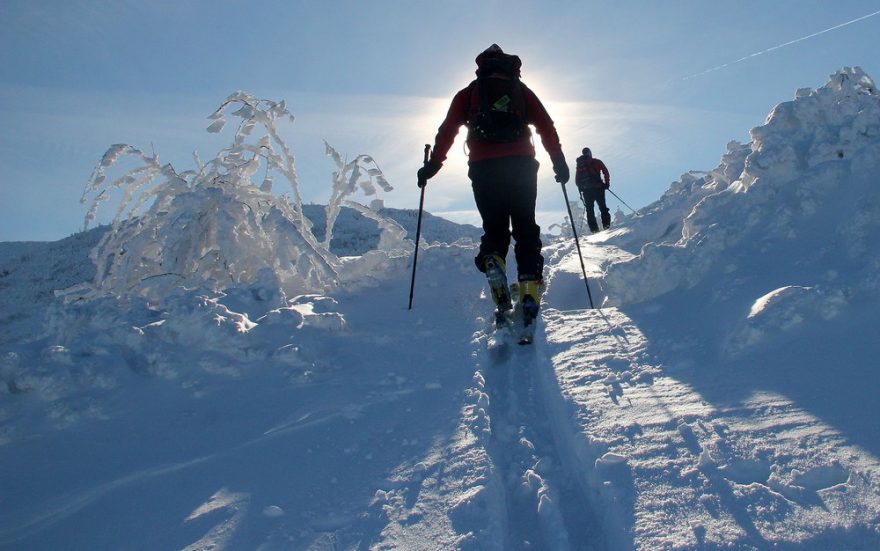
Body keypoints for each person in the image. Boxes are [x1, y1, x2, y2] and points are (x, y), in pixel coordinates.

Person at [417, 44, 568, 322]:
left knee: (495, 228)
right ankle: (529, 284)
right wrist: (559, 161)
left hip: (483, 167)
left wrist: (432, 166)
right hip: (521, 165)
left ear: (482, 64)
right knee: (525, 226)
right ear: (510, 65)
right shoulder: (520, 90)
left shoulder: (470, 93)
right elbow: (546, 126)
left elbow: (447, 129)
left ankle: (494, 260)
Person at [574, 147, 611, 233]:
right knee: (602, 207)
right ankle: (607, 227)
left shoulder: (580, 165)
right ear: (590, 153)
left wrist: (582, 188)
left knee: (590, 210)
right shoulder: (596, 162)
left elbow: (577, 180)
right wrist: (607, 183)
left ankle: (594, 230)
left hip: (587, 191)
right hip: (598, 188)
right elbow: (605, 171)